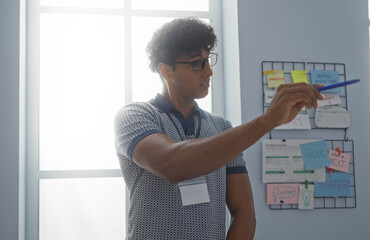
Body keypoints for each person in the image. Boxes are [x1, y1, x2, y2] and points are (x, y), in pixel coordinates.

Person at [114, 17, 322, 240]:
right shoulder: (135, 116)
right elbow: (172, 165)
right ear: (166, 70)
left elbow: (244, 213)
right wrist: (267, 121)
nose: (208, 72)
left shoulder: (221, 127)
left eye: (207, 60)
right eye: (196, 63)